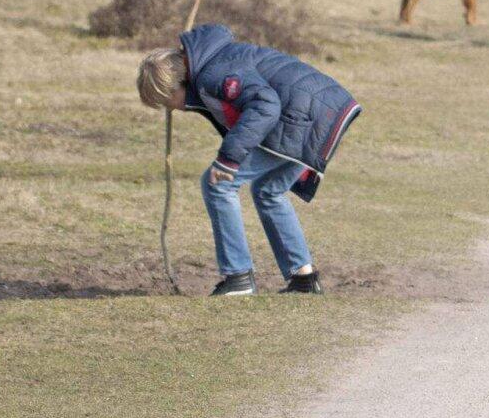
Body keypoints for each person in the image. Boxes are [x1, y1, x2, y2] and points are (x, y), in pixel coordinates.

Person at [136, 23, 362, 298]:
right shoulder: (214, 62)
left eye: (165, 101)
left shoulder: (212, 75)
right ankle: (304, 280)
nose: (171, 108)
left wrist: (228, 160)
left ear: (175, 86)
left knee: (217, 184)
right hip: (323, 112)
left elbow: (265, 106)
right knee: (268, 190)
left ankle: (238, 277)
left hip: (302, 118)